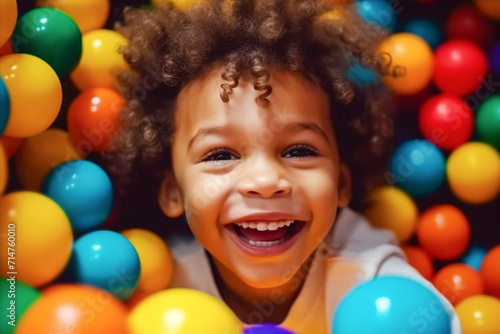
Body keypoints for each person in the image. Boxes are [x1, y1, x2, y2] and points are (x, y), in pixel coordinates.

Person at [105, 0, 461, 332]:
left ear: (340, 184)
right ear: (173, 192)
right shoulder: (159, 284)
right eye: (221, 155)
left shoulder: (366, 272)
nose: (265, 180)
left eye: (299, 151)